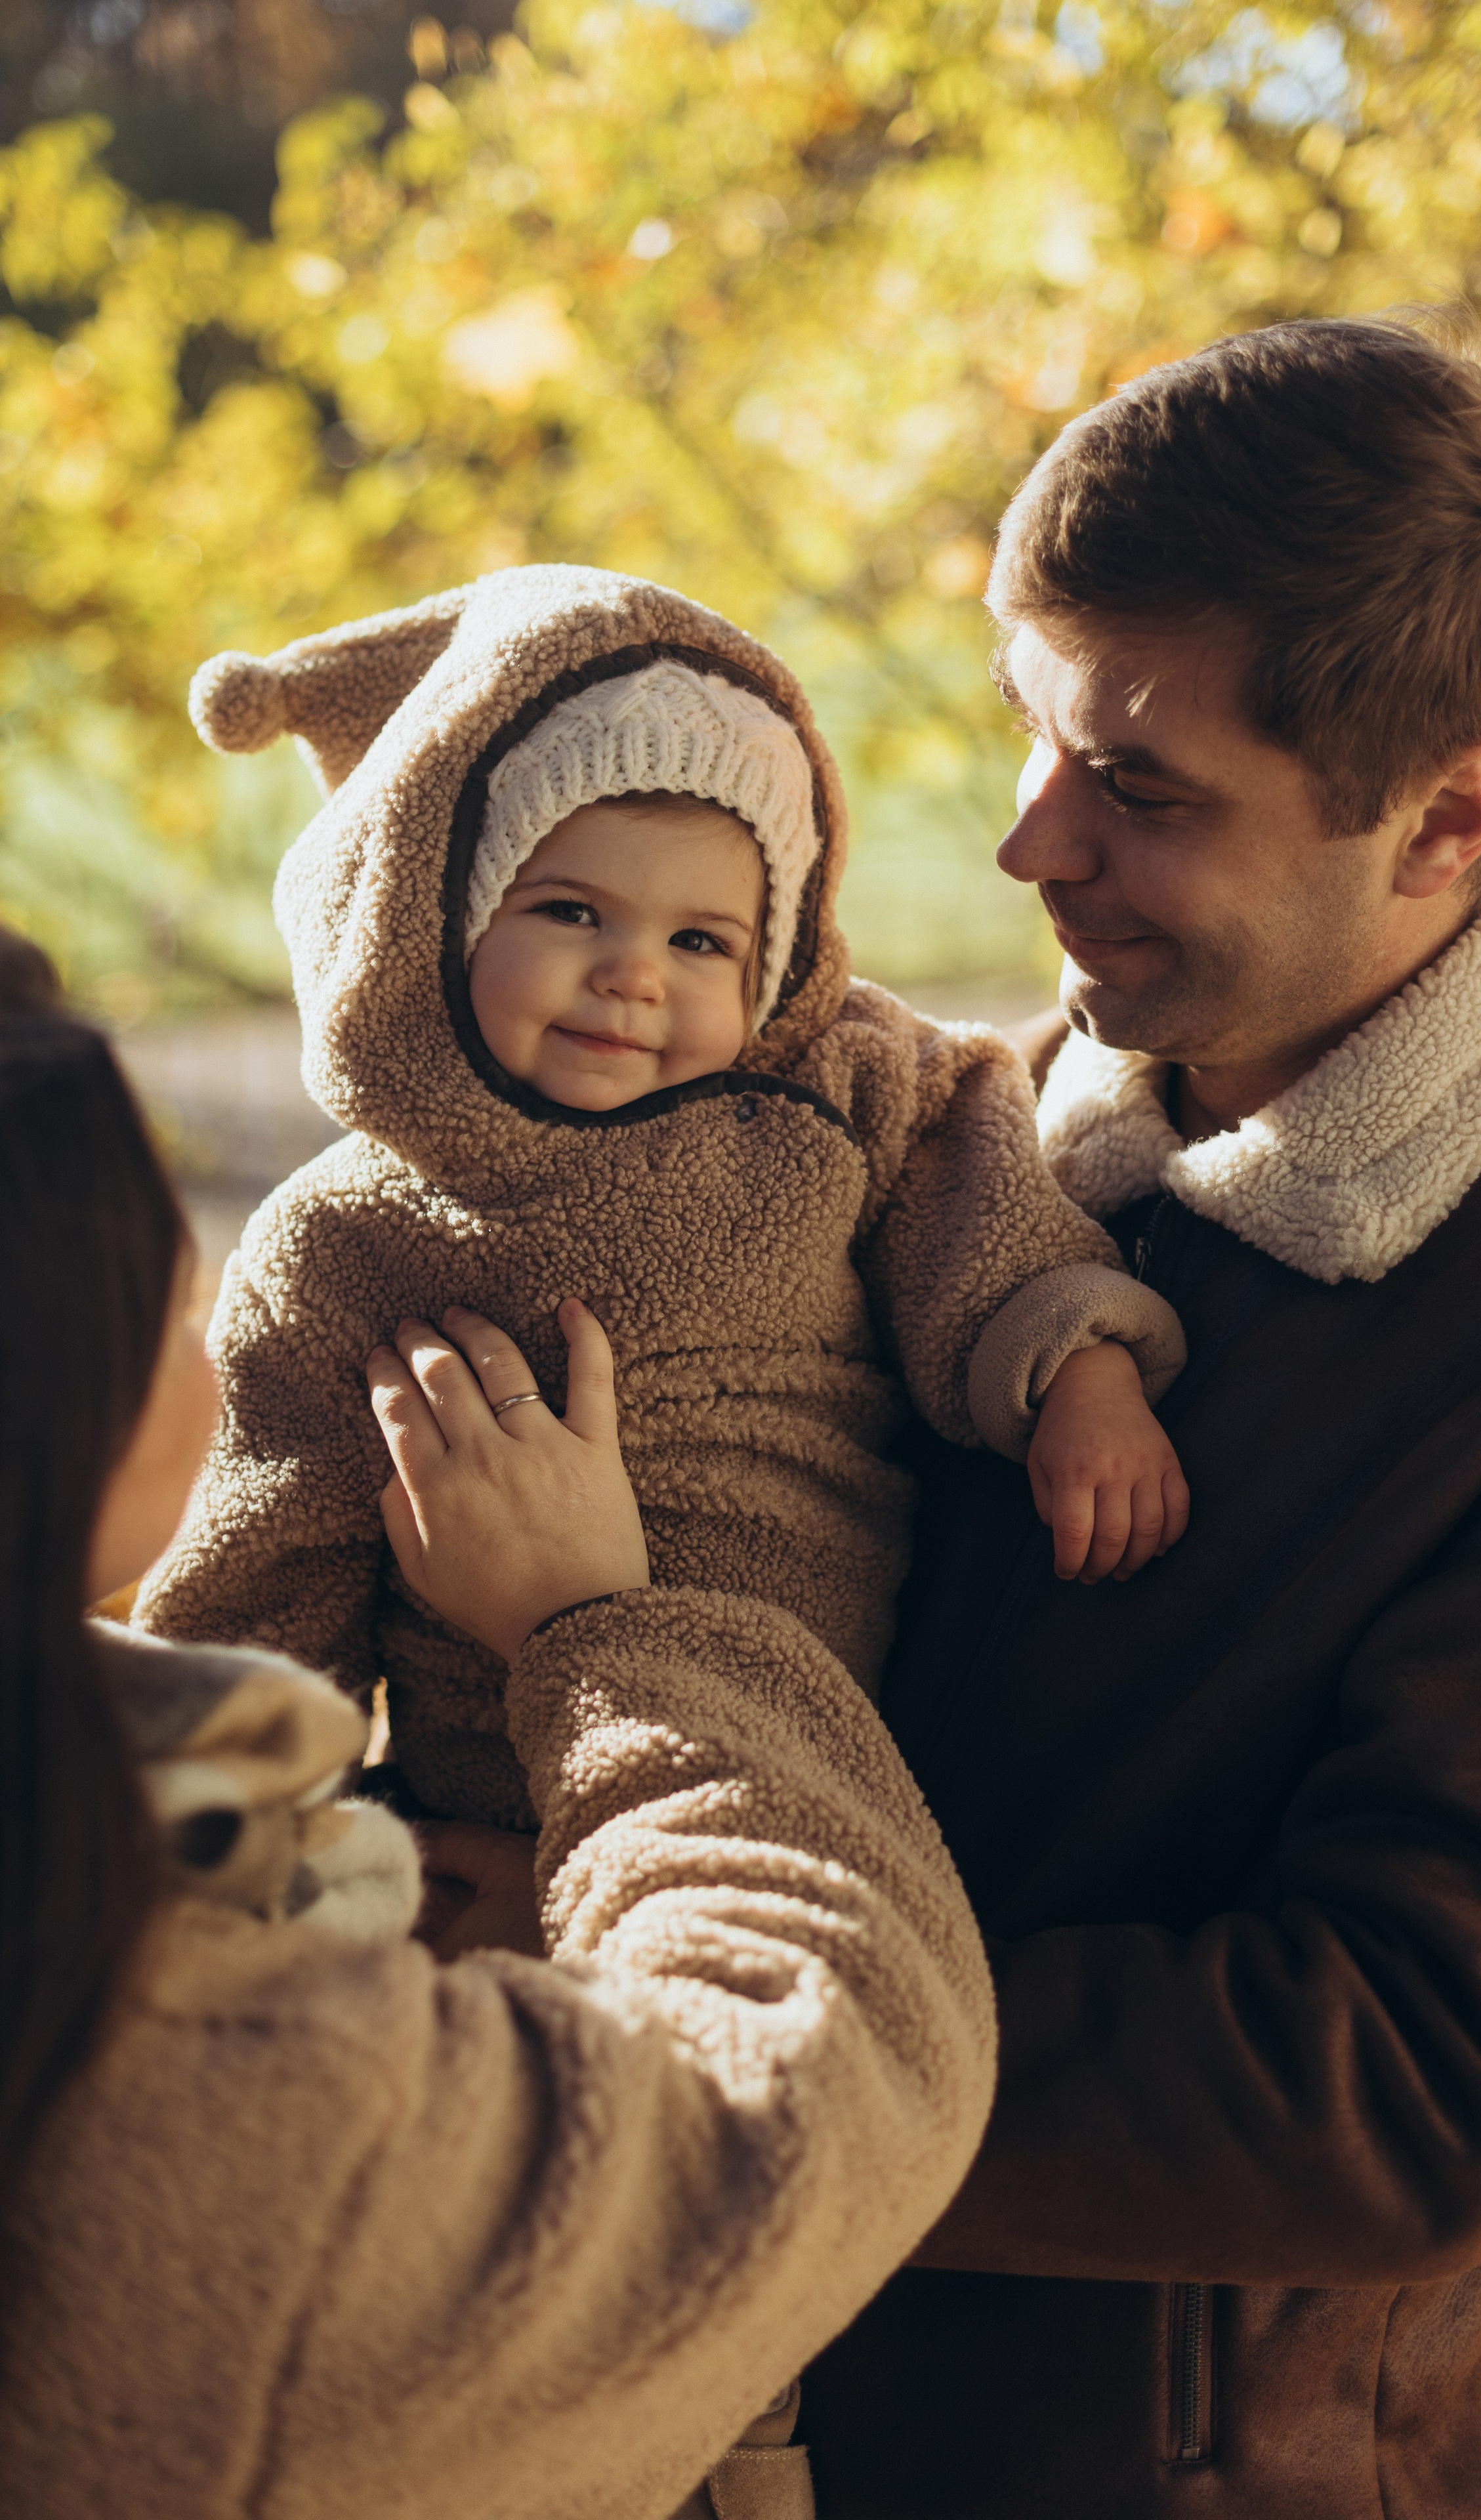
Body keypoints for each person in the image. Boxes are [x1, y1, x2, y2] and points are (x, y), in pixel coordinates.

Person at [794, 319, 1481, 2517]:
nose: (1030, 841)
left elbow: (1414, 2080)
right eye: (1030, 732)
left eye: (1143, 788)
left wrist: (686, 2029)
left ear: (1448, 816)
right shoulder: (966, 1147)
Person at [0, 929, 997, 2520]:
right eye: (180, 1292)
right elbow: (830, 2067)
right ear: (73, 1402)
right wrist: (593, 1632)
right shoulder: (223, 2136)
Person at [135, 567, 1185, 1843]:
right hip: (499, 1797)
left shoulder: (842, 1095)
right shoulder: (347, 1241)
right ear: (438, 925)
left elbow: (987, 1232)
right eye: (570, 912)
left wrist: (1082, 1374)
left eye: (700, 942)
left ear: (771, 963)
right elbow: (269, 1561)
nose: (632, 974)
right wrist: (226, 1816)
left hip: (827, 1754)